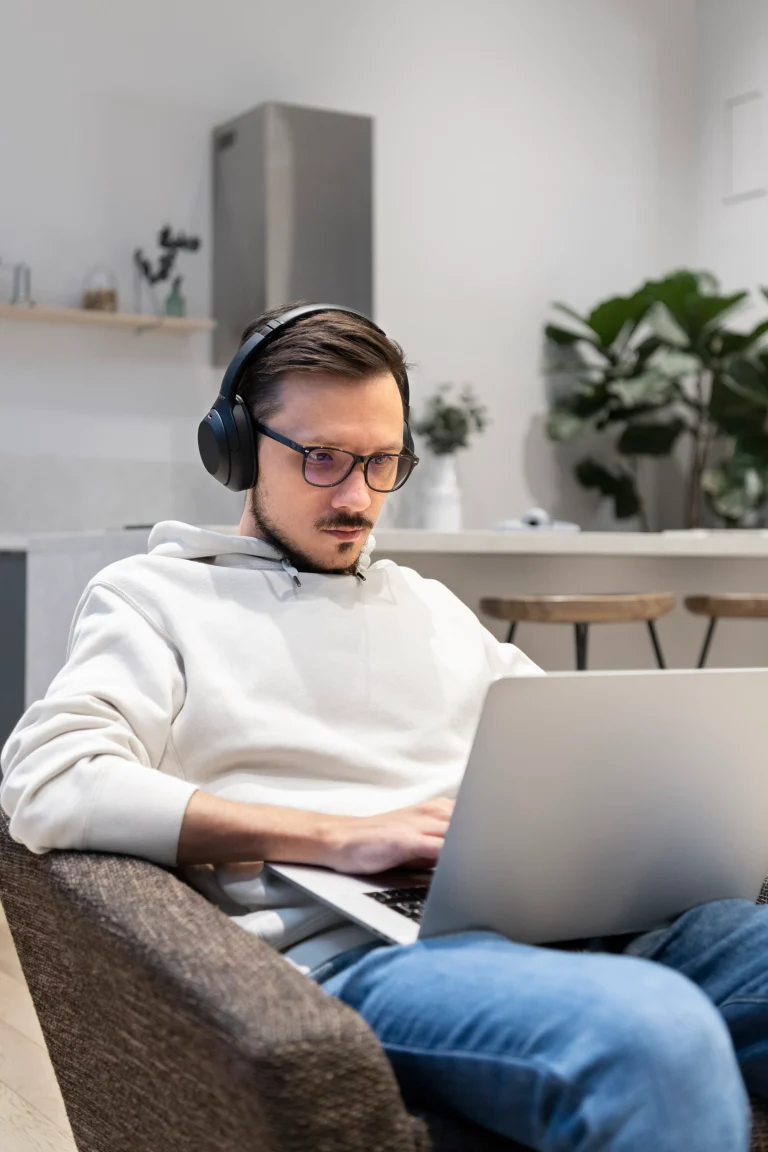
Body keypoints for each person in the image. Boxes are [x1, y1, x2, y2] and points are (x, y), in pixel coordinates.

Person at [1, 303, 767, 1151]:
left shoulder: (428, 606)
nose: (357, 497)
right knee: (650, 1036)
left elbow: (574, 749)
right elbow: (48, 780)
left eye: (382, 462)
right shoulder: (156, 598)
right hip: (370, 960)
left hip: (551, 922)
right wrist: (336, 837)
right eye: (324, 459)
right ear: (236, 446)